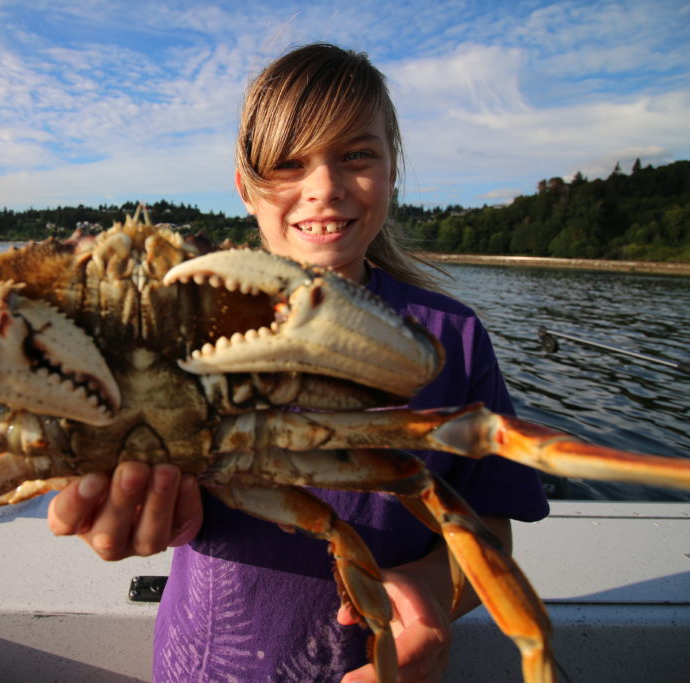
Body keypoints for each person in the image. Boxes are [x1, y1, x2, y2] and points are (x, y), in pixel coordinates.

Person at [48, 43, 549, 682]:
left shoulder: (453, 339)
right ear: (245, 189)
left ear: (393, 168)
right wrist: (128, 501)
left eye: (357, 155)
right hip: (204, 667)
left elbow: (489, 532)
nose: (325, 189)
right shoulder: (174, 331)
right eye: (289, 164)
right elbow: (116, 468)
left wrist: (432, 588)